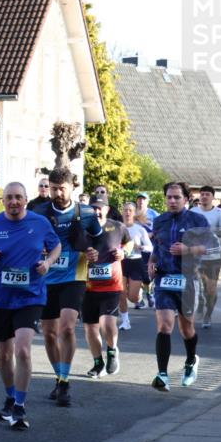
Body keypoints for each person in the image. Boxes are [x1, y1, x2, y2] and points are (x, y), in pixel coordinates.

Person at [0, 182, 61, 430]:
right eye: (9, 197)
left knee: (22, 350)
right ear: (3, 201)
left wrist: (49, 262)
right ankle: (10, 397)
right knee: (4, 355)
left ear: (25, 199)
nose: (13, 202)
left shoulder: (40, 223)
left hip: (30, 297)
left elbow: (56, 246)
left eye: (18, 197)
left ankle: (20, 406)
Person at [31, 167, 103, 407]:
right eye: (54, 188)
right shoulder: (38, 211)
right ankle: (59, 377)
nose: (58, 193)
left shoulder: (87, 213)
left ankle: (64, 380)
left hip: (74, 276)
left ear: (73, 187)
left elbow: (99, 239)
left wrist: (95, 251)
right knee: (50, 334)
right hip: (46, 278)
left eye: (62, 188)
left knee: (67, 328)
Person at [148, 182, 213, 391]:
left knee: (187, 329)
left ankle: (191, 360)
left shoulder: (197, 220)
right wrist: (151, 262)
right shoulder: (159, 221)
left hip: (188, 279)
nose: (172, 201)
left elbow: (211, 247)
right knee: (164, 325)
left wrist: (188, 249)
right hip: (164, 279)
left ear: (186, 199)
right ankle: (163, 375)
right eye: (169, 197)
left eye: (177, 197)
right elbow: (157, 247)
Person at [82, 194, 131, 377]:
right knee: (90, 328)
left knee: (107, 324)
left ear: (107, 209)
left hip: (112, 284)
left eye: (99, 207)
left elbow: (129, 242)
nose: (96, 211)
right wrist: (84, 255)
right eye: (93, 207)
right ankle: (97, 362)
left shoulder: (117, 226)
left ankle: (112, 351)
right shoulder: (82, 229)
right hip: (87, 286)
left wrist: (123, 252)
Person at [192, 186, 221, 329]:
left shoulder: (219, 213)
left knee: (211, 289)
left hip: (214, 256)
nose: (204, 197)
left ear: (212, 197)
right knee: (200, 285)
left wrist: (210, 233)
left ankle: (208, 314)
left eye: (207, 194)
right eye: (202, 194)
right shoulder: (193, 212)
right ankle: (201, 302)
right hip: (196, 256)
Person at [118, 202, 153, 330]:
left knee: (132, 298)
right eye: (125, 210)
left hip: (136, 262)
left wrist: (140, 247)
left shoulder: (140, 229)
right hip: (121, 262)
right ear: (122, 212)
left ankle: (140, 293)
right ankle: (125, 321)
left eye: (130, 210)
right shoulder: (118, 227)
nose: (127, 213)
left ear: (134, 213)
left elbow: (150, 247)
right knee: (121, 292)